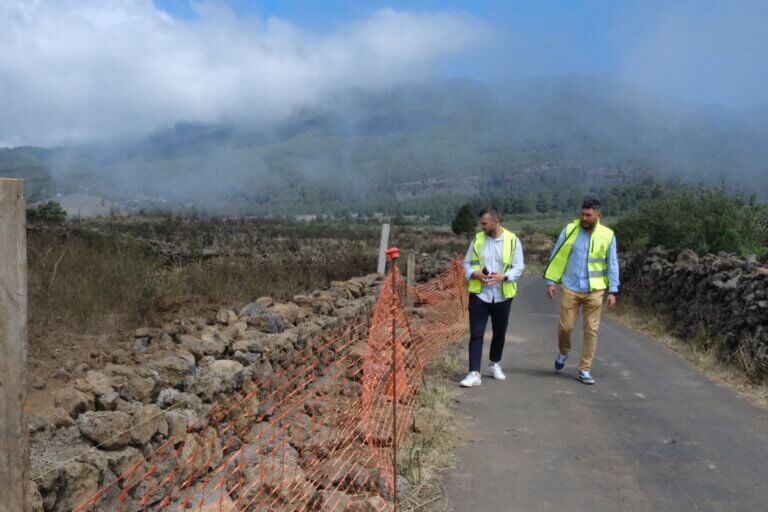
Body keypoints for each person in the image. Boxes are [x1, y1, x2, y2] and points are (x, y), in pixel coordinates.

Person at [544, 197, 619, 385]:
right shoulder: (569, 231)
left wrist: (613, 290)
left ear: (598, 215)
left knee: (591, 330)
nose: (584, 218)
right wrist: (551, 281)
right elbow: (558, 255)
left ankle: (585, 369)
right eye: (582, 214)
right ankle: (564, 351)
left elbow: (612, 263)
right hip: (571, 287)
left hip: (595, 290)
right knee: (565, 327)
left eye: (588, 215)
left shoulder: (608, 235)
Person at [460, 207, 524, 387]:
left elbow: (519, 267)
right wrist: (474, 274)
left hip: (503, 295)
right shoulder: (478, 240)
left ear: (496, 221)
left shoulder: (512, 240)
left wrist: (504, 277)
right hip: (480, 294)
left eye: (484, 223)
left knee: (500, 332)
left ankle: (495, 363)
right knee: (476, 333)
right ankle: (474, 373)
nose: (482, 227)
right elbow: (466, 264)